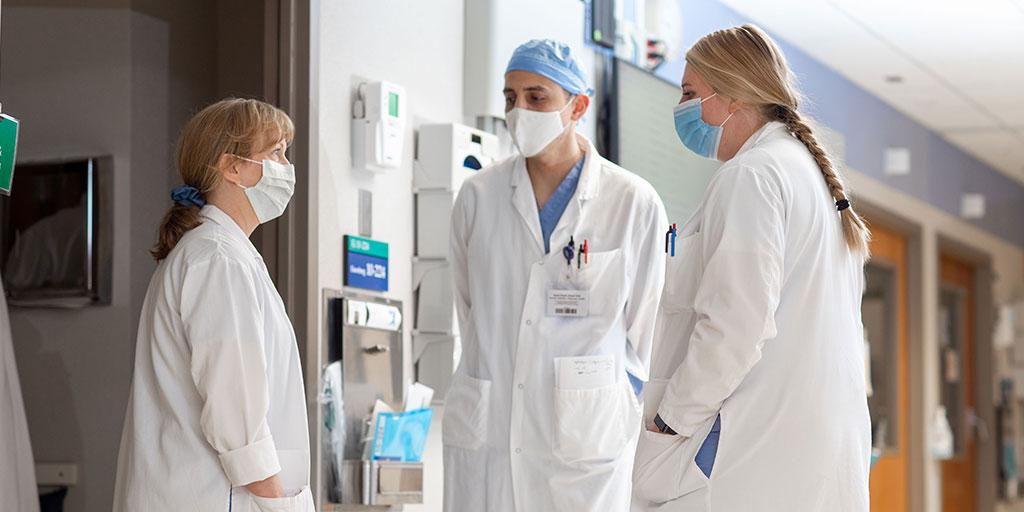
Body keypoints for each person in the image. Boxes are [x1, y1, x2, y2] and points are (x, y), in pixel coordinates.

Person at [632, 24, 872, 511]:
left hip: (753, 445)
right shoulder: (807, 176)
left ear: (733, 96)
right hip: (810, 448)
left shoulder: (752, 175)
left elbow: (735, 326)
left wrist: (669, 420)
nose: (681, 108)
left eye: (689, 93)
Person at [443, 39, 668, 511]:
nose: (519, 109)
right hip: (490, 438)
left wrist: (605, 394)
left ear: (578, 106)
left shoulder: (630, 201)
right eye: (510, 97)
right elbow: (471, 313)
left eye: (536, 96)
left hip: (584, 451)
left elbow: (646, 334)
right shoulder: (478, 197)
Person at [113, 98, 313, 512]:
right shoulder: (218, 259)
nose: (286, 167)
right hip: (216, 498)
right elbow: (236, 418)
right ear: (232, 166)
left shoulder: (219, 253)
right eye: (275, 152)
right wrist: (280, 504)